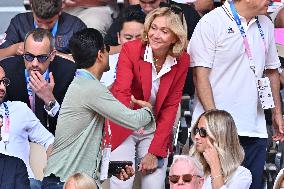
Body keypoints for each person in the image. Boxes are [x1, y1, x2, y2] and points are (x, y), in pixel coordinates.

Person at [41, 28, 155, 188]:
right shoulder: (90, 88)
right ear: (101, 54)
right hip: (64, 183)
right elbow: (132, 120)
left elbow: (82, 152)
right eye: (107, 49)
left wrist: (111, 168)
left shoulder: (83, 84)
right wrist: (149, 110)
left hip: (65, 181)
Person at [188, 0, 283, 188]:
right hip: (218, 132)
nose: (271, 1)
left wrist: (276, 113)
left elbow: (272, 71)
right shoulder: (211, 22)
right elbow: (200, 76)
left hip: (254, 127)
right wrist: (215, 124)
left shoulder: (266, 23)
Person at [109, 7, 189, 189]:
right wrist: (137, 113)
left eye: (164, 31)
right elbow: (121, 92)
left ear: (175, 37)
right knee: (123, 182)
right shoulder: (131, 49)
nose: (156, 34)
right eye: (153, 27)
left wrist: (154, 152)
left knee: (154, 183)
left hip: (155, 128)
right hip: (124, 124)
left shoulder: (182, 60)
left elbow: (170, 107)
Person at [0, 28, 76, 134]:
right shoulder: (6, 70)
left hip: (54, 139)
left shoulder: (68, 72)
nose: (34, 63)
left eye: (42, 57)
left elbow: (71, 125)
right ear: (23, 53)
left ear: (52, 55)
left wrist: (50, 100)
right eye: (29, 56)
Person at [0, 66, 54, 189]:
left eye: (4, 82)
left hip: (26, 181)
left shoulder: (20, 109)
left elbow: (49, 140)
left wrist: (51, 170)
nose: (2, 87)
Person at [0, 0, 86, 60]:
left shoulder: (75, 25)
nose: (44, 27)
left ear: (60, 10)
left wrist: (53, 54)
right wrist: (14, 49)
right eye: (39, 21)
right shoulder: (19, 22)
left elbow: (89, 62)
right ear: (32, 9)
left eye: (50, 22)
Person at [190, 110, 252, 189]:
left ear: (218, 136)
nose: (196, 136)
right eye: (197, 131)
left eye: (202, 131)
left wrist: (215, 166)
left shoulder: (241, 174)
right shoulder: (193, 168)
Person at [101, 8, 146, 87]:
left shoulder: (156, 63)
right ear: (118, 37)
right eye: (128, 38)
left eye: (139, 38)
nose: (133, 43)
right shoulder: (105, 63)